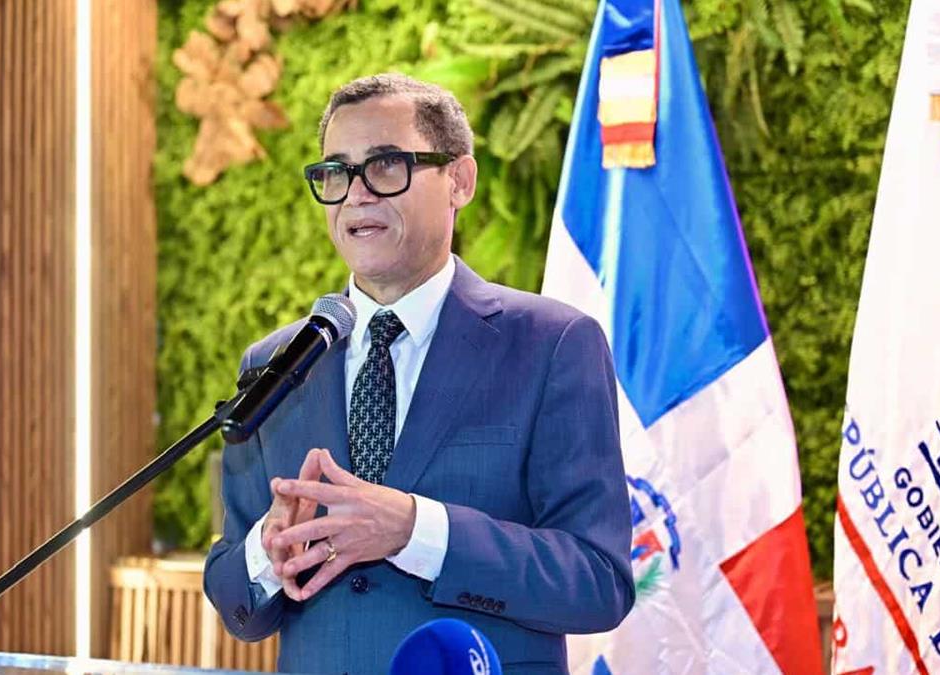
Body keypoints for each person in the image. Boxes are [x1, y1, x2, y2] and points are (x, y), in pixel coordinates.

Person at [203, 73, 633, 674]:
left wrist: (416, 531)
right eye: (336, 172)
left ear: (460, 180)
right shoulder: (276, 366)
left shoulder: (553, 344)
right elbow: (235, 601)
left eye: (385, 166)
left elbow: (598, 580)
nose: (356, 194)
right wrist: (267, 552)